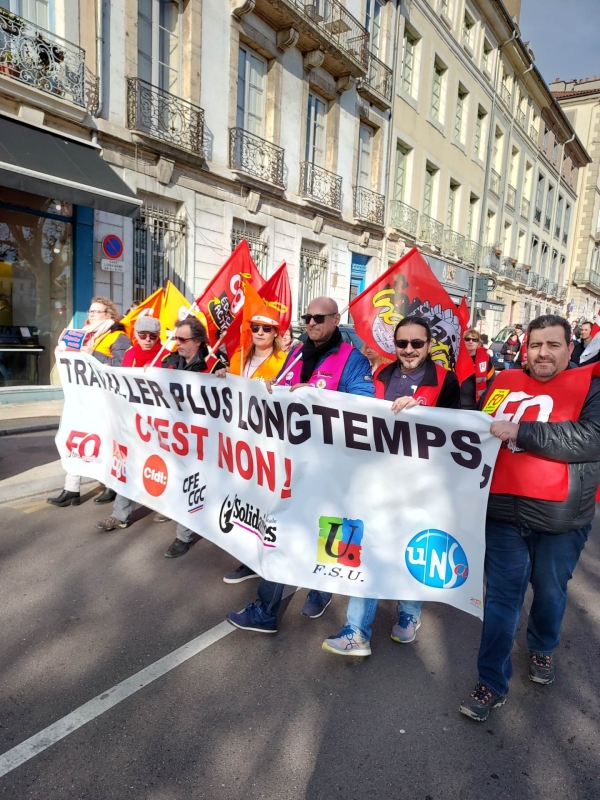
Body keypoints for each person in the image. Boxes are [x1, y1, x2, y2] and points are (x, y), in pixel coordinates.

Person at [459, 314, 600, 722]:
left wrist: (522, 432)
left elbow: (591, 439)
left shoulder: (592, 385)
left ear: (570, 349)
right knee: (502, 600)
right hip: (502, 513)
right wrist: (417, 411)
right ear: (526, 347)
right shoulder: (503, 383)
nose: (543, 353)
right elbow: (472, 423)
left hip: (562, 520)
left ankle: (542, 646)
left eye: (553, 345)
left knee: (551, 594)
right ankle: (491, 681)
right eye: (536, 345)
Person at [226, 297, 375, 632]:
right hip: (292, 462)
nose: (311, 323)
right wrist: (269, 390)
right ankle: (265, 611)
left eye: (319, 317)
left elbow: (364, 408)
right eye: (307, 317)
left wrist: (317, 397)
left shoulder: (352, 360)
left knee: (329, 532)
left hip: (332, 467)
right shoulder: (295, 353)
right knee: (281, 531)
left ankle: (321, 590)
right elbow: (279, 386)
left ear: (336, 319)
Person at [322, 316, 460, 657]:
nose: (409, 350)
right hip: (376, 480)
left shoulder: (447, 380)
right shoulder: (380, 374)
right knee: (368, 549)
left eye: (416, 343)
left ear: (429, 345)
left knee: (415, 550)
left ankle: (410, 614)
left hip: (422, 485)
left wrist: (425, 409)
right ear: (394, 345)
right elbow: (350, 408)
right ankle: (356, 631)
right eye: (402, 343)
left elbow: (464, 428)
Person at [222, 307, 288, 584]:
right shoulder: (238, 357)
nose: (260, 332)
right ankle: (248, 557)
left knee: (265, 500)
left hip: (269, 440)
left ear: (275, 333)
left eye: (266, 328)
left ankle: (268, 556)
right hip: (239, 438)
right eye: (256, 327)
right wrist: (221, 377)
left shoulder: (285, 359)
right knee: (243, 498)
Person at [47, 297, 131, 508]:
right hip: (82, 400)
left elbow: (122, 367)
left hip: (106, 403)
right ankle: (71, 489)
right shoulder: (82, 336)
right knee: (75, 441)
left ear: (109, 314)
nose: (90, 315)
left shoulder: (118, 337)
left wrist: (94, 355)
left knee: (107, 444)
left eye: (96, 312)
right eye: (90, 311)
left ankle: (112, 486)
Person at [160, 316, 227, 557]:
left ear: (197, 341)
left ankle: (183, 536)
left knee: (193, 485)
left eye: (182, 339)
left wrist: (224, 378)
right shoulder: (168, 362)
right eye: (175, 338)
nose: (177, 343)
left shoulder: (214, 366)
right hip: (173, 436)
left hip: (201, 439)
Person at [95, 316, 167, 532]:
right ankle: (120, 515)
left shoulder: (166, 356)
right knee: (128, 466)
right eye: (142, 335)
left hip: (158, 423)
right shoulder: (130, 354)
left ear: (158, 336)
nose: (147, 340)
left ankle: (169, 507)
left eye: (152, 336)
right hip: (133, 421)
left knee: (163, 467)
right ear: (135, 335)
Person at [459, 328, 495, 410]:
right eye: (467, 339)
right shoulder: (456, 358)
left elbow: (491, 383)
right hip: (457, 404)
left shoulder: (486, 359)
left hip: (476, 405)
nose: (470, 342)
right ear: (463, 341)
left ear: (478, 342)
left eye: (474, 339)